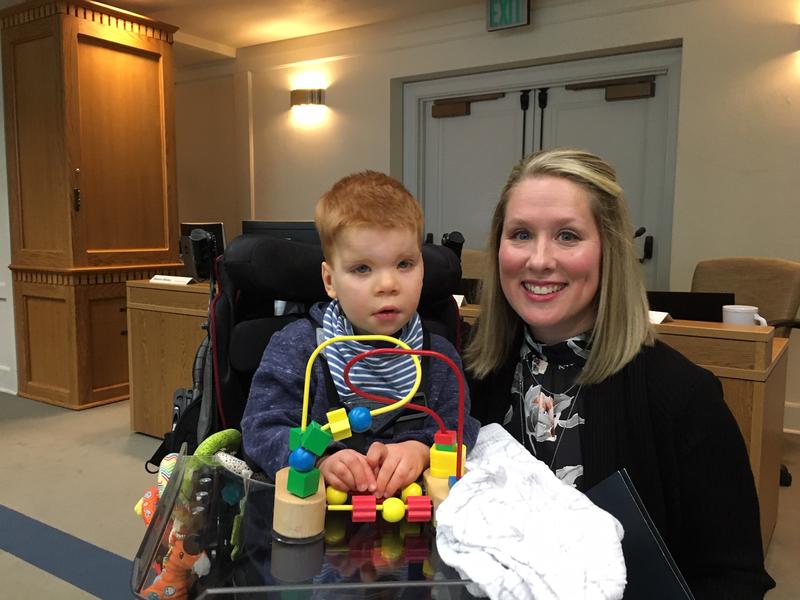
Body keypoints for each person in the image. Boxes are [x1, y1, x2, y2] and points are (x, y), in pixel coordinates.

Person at [465, 148, 775, 598]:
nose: (538, 259)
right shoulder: (471, 374)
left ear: (608, 249)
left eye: (568, 236)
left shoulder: (683, 396)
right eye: (520, 234)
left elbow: (734, 578)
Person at [242, 170, 479, 499]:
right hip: (321, 524)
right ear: (330, 281)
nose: (388, 285)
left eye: (404, 264)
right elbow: (260, 429)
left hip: (413, 526)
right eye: (362, 269)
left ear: (423, 267)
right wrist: (321, 460)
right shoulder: (298, 349)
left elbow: (461, 426)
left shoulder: (438, 357)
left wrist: (422, 448)